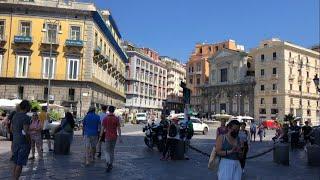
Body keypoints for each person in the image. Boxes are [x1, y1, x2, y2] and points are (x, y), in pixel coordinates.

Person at [12, 100, 31, 180]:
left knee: (16, 162)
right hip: (23, 142)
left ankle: (14, 178)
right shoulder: (26, 117)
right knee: (20, 163)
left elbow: (12, 129)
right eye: (29, 106)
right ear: (27, 107)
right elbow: (25, 131)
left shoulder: (15, 116)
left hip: (15, 141)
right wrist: (29, 141)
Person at [100, 106, 122, 172]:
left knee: (106, 151)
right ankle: (111, 164)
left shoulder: (105, 118)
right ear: (114, 111)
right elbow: (119, 128)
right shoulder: (116, 118)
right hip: (114, 137)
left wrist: (100, 136)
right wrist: (120, 137)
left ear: (109, 111)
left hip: (107, 136)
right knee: (112, 151)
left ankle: (108, 162)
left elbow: (102, 128)